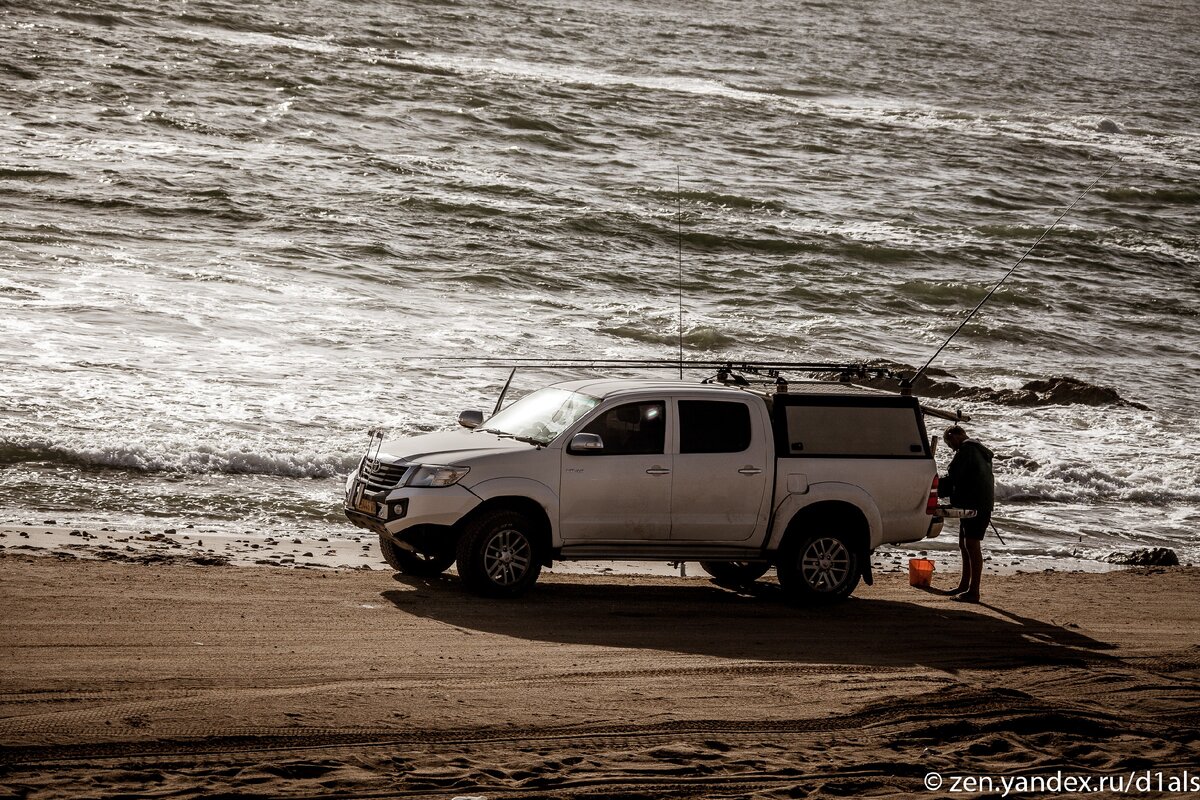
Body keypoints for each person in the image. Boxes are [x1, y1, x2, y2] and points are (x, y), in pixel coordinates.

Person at [939, 425, 994, 603]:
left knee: (971, 544)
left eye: (949, 443)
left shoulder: (966, 451)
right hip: (980, 504)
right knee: (964, 544)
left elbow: (954, 478)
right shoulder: (979, 450)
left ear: (954, 436)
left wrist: (933, 488)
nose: (951, 448)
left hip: (975, 505)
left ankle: (973, 592)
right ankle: (964, 585)